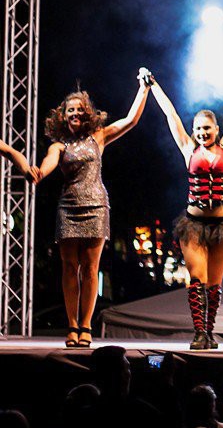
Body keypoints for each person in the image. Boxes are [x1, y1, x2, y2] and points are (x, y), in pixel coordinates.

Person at [38, 74, 151, 347]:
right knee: (69, 268)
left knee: (90, 269)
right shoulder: (59, 146)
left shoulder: (98, 137)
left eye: (79, 109)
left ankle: (86, 325)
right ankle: (72, 325)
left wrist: (143, 88)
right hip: (68, 208)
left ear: (87, 113)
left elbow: (130, 120)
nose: (75, 113)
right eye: (70, 110)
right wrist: (39, 172)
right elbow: (48, 163)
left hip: (96, 206)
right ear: (63, 116)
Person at [148, 65, 223, 350]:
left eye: (207, 128)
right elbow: (171, 115)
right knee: (196, 279)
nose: (203, 132)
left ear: (216, 129)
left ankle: (210, 331)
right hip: (193, 223)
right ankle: (199, 332)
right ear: (193, 131)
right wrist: (153, 85)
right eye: (198, 129)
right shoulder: (188, 149)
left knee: (214, 284)